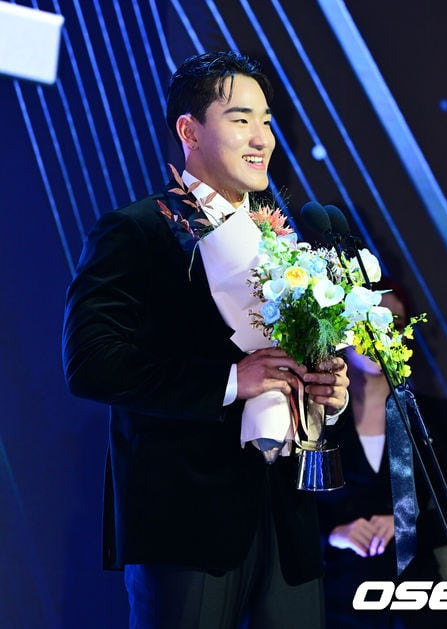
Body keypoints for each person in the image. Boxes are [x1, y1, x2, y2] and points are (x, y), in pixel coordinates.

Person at [62, 51, 349, 629]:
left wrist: (324, 393)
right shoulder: (138, 230)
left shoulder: (283, 240)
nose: (262, 138)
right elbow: (91, 362)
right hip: (186, 522)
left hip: (285, 518)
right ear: (189, 131)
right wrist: (231, 380)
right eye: (241, 119)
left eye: (266, 121)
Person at [317, 279, 447, 629]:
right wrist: (333, 534)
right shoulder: (316, 417)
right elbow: (289, 514)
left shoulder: (432, 416)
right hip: (339, 599)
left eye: (394, 324)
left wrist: (406, 526)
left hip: (416, 600)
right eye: (370, 320)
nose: (382, 334)